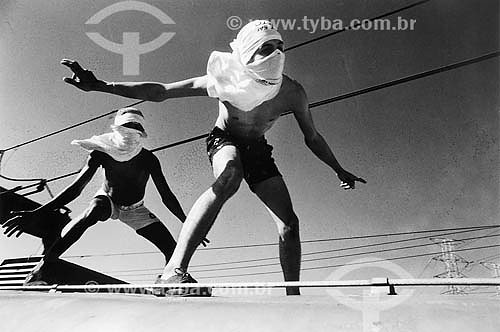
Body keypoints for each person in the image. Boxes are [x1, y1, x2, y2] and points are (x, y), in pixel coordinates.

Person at [59, 20, 366, 295]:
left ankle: (292, 295)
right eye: (266, 48)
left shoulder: (292, 92)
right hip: (225, 139)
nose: (276, 55)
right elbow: (161, 91)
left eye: (280, 48)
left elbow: (312, 136)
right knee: (230, 176)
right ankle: (173, 271)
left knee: (289, 224)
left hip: (258, 149)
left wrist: (338, 169)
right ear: (246, 54)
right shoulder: (224, 78)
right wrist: (101, 86)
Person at [2, 108, 208, 285]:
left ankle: (168, 278)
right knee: (93, 210)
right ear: (116, 131)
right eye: (125, 130)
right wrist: (36, 213)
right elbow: (76, 188)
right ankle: (43, 268)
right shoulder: (100, 152)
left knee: (171, 247)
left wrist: (188, 222)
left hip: (135, 208)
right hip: (107, 199)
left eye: (135, 131)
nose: (129, 137)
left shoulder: (148, 159)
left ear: (141, 134)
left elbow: (167, 195)